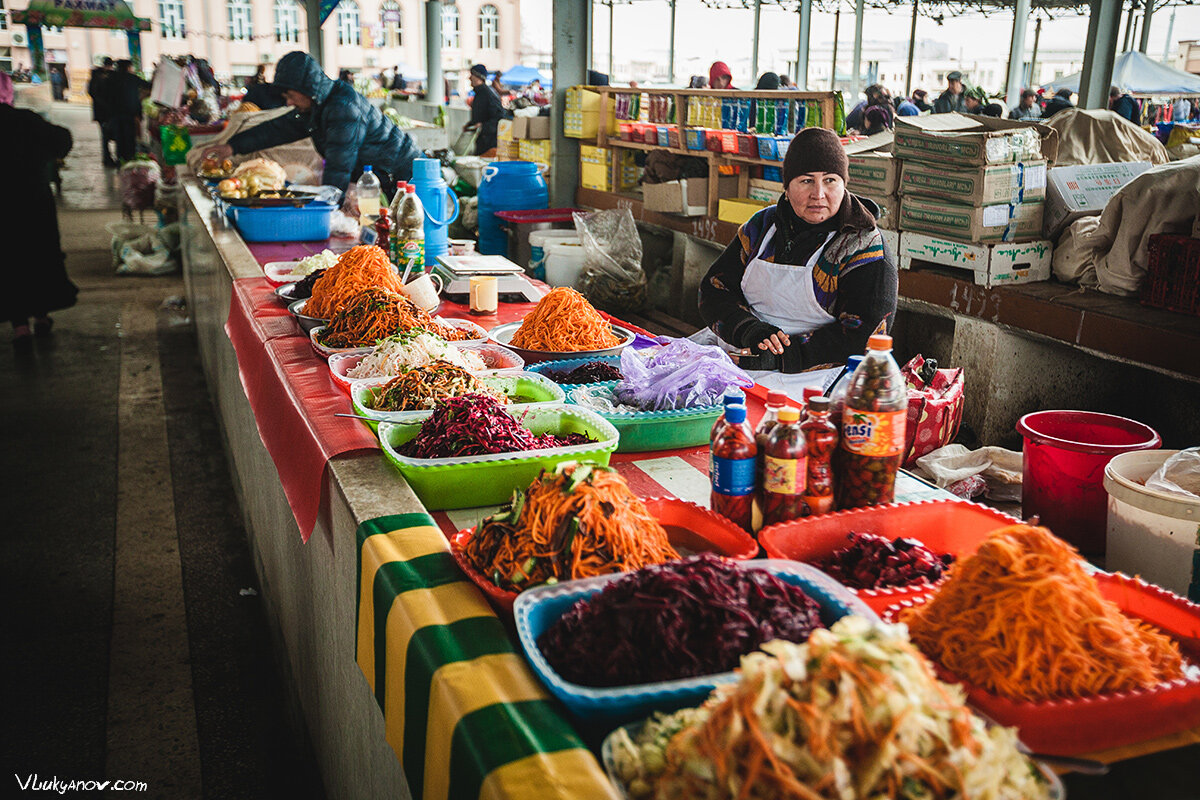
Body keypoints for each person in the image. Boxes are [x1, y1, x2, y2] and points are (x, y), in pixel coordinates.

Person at [697, 127, 897, 373]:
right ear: (787, 187)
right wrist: (748, 330)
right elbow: (714, 289)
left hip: (817, 377)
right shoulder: (761, 228)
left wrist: (782, 357)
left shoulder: (863, 245)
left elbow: (864, 335)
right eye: (806, 181)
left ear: (844, 184)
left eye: (830, 180)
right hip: (739, 354)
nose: (818, 194)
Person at [215, 51, 419, 197]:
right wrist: (232, 146)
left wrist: (327, 210)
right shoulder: (316, 106)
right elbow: (277, 130)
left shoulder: (343, 107)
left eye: (291, 95)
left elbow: (338, 166)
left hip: (407, 179)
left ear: (307, 89)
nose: (288, 102)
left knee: (411, 241)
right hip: (383, 179)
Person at [0, 72, 78, 344]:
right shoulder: (26, 120)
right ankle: (41, 316)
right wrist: (46, 159)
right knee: (36, 256)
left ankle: (19, 325)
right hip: (33, 202)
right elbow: (63, 139)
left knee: (8, 263)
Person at [104, 60, 150, 163]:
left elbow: (105, 96)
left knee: (119, 139)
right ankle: (130, 159)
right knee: (130, 138)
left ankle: (120, 160)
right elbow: (148, 85)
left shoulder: (110, 79)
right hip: (130, 114)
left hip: (115, 114)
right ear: (128, 67)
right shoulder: (132, 78)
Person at [463, 63, 505, 156]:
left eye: (472, 75)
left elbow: (499, 118)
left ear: (478, 77)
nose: (469, 78)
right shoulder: (478, 94)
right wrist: (470, 125)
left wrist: (483, 126)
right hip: (481, 141)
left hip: (489, 144)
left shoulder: (489, 95)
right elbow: (481, 116)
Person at [87, 57, 116, 166]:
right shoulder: (96, 76)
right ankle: (107, 159)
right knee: (105, 136)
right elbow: (92, 93)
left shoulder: (111, 75)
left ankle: (110, 157)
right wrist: (105, 105)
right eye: (108, 66)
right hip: (102, 112)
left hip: (110, 112)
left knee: (110, 135)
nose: (109, 68)